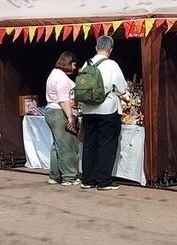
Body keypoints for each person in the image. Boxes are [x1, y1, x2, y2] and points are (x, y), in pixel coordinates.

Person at [76, 35, 128, 191]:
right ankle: (104, 181)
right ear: (110, 49)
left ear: (96, 48)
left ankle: (87, 180)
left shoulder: (87, 64)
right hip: (107, 109)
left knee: (89, 144)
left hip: (87, 109)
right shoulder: (112, 65)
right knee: (107, 144)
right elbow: (121, 88)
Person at [44, 52, 79, 186]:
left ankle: (55, 176)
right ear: (68, 63)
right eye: (74, 64)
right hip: (60, 113)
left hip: (51, 111)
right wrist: (70, 117)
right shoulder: (62, 78)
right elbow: (63, 100)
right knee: (67, 145)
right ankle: (69, 177)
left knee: (57, 145)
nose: (75, 67)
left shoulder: (53, 74)